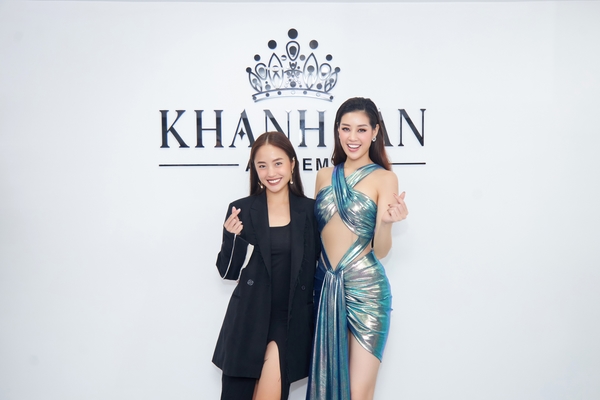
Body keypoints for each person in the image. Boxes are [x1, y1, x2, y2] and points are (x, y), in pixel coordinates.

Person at [306, 97, 409, 400]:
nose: (353, 137)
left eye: (362, 129)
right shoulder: (323, 175)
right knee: (328, 384)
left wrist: (386, 223)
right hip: (325, 286)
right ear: (337, 130)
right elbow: (315, 238)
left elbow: (381, 250)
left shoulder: (385, 178)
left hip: (367, 290)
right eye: (346, 128)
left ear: (375, 132)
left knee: (358, 392)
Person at [213, 131, 320, 400]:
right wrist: (232, 238)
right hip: (247, 320)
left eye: (278, 163)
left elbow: (326, 260)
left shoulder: (310, 211)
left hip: (289, 322)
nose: (271, 172)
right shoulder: (241, 209)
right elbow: (228, 272)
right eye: (262, 165)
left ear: (292, 164)